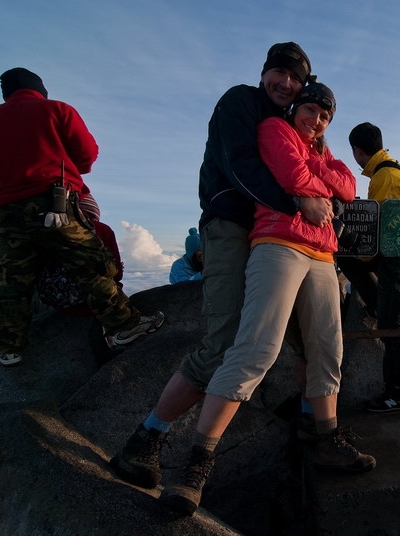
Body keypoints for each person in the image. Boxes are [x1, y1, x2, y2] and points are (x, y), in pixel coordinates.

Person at [110, 43, 335, 490]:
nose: (285, 84)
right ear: (264, 72)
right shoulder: (239, 102)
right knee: (227, 341)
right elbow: (241, 166)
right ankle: (147, 438)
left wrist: (322, 205)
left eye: (294, 79)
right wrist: (296, 201)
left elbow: (328, 177)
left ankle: (319, 433)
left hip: (275, 235)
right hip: (232, 225)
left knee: (311, 342)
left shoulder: (295, 126)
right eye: (279, 74)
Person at [158, 80, 375, 517]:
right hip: (279, 243)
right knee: (257, 349)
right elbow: (289, 176)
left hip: (323, 253)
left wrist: (321, 182)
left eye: (324, 116)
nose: (315, 120)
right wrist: (315, 186)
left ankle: (326, 437)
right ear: (297, 109)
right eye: (310, 110)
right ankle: (196, 464)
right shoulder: (276, 130)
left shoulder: (320, 151)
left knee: (328, 350)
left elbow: (348, 187)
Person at [0, 67, 164, 367]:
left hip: (6, 211)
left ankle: (9, 347)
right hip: (55, 205)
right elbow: (87, 154)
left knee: (12, 278)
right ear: (39, 89)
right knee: (91, 263)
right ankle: (124, 326)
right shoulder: (56, 110)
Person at [337, 122, 400, 413]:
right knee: (346, 258)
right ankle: (375, 305)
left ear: (357, 151)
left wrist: (359, 251)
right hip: (398, 258)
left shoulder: (384, 177)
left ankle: (399, 393)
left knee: (391, 328)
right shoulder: (394, 169)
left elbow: (381, 232)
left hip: (398, 263)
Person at [34, 193, 125, 316]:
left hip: (57, 303)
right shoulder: (102, 229)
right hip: (97, 304)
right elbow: (117, 273)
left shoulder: (48, 230)